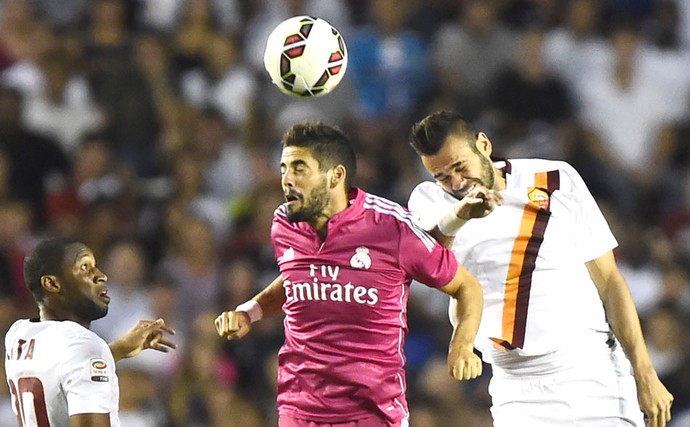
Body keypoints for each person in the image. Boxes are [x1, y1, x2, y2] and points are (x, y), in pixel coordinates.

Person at [406, 110, 674, 427]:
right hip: (518, 388)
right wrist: (462, 214)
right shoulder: (431, 201)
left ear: (484, 145)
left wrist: (644, 372)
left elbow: (610, 282)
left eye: (460, 167)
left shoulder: (557, 178)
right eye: (442, 176)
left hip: (594, 372)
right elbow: (434, 253)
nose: (456, 183)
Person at [215, 121, 484, 426]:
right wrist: (249, 312)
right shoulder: (284, 223)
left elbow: (467, 287)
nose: (287, 180)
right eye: (283, 169)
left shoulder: (391, 228)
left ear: (336, 176)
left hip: (372, 414)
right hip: (298, 411)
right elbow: (298, 279)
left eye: (299, 168)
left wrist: (462, 346)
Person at [4, 238, 176, 427]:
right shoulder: (85, 345)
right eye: (85, 267)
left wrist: (118, 349)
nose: (101, 276)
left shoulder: (18, 334)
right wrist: (99, 352)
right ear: (52, 283)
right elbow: (80, 357)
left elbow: (65, 368)